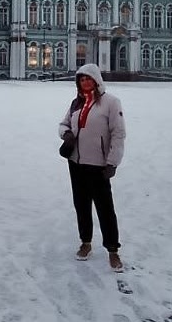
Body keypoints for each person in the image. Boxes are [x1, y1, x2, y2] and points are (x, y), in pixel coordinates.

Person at [58, 63, 126, 272]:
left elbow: (118, 133)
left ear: (97, 80)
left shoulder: (111, 103)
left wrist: (112, 162)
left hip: (99, 165)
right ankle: (85, 242)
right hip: (76, 163)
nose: (85, 82)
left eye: (88, 78)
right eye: (81, 79)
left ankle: (113, 250)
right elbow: (63, 124)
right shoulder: (76, 103)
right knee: (82, 205)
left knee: (105, 209)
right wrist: (66, 134)